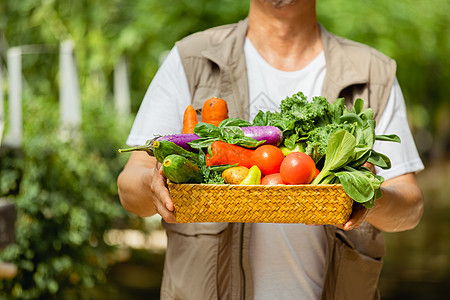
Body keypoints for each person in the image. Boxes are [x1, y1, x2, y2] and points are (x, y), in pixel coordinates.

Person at [117, 0, 425, 299]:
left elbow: (411, 206)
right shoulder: (191, 59)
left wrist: (369, 197)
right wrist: (151, 184)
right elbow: (130, 186)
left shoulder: (372, 72)